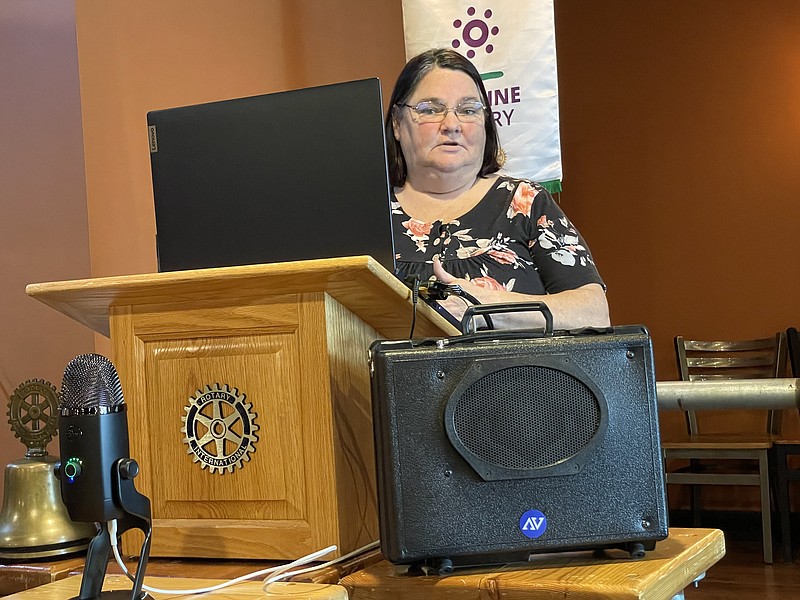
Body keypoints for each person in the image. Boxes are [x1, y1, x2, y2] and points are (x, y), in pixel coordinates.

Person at [385, 48, 610, 331]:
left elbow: (594, 313)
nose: (452, 125)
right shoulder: (367, 214)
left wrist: (488, 308)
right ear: (397, 122)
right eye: (430, 110)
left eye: (468, 110)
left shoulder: (525, 203)